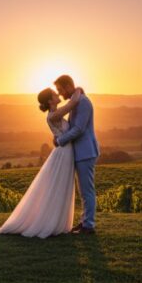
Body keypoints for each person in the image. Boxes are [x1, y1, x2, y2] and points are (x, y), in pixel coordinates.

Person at [0, 85, 83, 238]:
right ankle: (50, 222)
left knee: (62, 186)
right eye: (54, 93)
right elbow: (72, 104)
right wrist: (79, 89)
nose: (58, 94)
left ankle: (57, 222)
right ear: (50, 101)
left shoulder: (54, 113)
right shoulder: (53, 115)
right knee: (59, 185)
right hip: (63, 153)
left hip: (65, 151)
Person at [53, 74, 100, 234]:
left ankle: (89, 225)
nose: (59, 94)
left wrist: (60, 141)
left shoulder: (83, 103)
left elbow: (78, 129)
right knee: (83, 191)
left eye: (60, 90)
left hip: (86, 152)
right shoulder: (76, 101)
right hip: (81, 152)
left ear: (67, 86)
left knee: (87, 190)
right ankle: (84, 222)